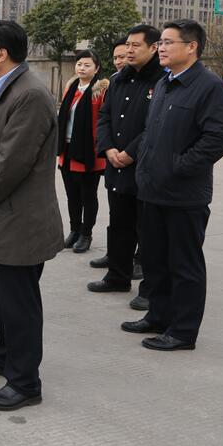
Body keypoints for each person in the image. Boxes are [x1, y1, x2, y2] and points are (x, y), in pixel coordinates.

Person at [0, 20, 62, 411]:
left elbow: (12, 162)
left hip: (21, 219)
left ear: (1, 53)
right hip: (1, 214)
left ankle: (24, 382)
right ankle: (3, 354)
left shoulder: (31, 95)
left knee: (19, 303)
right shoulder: (6, 88)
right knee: (2, 296)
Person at [121, 20, 223, 351]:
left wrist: (179, 166)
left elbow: (219, 137)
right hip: (152, 190)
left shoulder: (208, 86)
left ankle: (183, 331)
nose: (162, 48)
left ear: (191, 47)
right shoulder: (165, 83)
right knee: (155, 260)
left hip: (184, 195)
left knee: (183, 265)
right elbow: (152, 133)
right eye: (161, 43)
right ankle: (158, 315)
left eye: (169, 42)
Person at [88, 25, 164, 305]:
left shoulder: (163, 80)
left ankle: (149, 290)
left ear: (154, 48)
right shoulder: (119, 79)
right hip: (116, 164)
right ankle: (117, 277)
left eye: (136, 46)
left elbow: (156, 126)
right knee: (119, 224)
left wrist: (130, 153)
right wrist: (108, 148)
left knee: (149, 231)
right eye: (127, 45)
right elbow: (105, 116)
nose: (129, 51)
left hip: (144, 167)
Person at [56, 50, 108, 254]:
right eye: (79, 64)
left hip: (88, 152)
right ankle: (74, 230)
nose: (82, 68)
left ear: (96, 68)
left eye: (87, 65)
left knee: (88, 196)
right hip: (67, 150)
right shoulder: (71, 88)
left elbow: (103, 121)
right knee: (72, 195)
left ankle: (86, 233)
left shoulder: (100, 91)